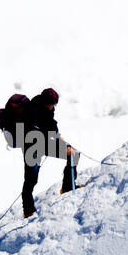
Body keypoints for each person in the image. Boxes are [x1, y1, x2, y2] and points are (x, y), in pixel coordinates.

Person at [10, 88, 79, 218]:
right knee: (31, 180)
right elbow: (43, 129)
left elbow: (51, 125)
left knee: (73, 155)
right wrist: (57, 139)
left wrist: (61, 141)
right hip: (32, 147)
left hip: (43, 143)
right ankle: (28, 211)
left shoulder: (47, 108)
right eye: (52, 104)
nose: (53, 106)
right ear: (45, 101)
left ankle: (68, 187)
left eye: (54, 104)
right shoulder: (33, 111)